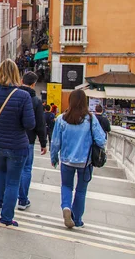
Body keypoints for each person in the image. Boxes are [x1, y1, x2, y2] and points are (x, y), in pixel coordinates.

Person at [0, 59, 35, 227]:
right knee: (13, 181)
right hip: (17, 146)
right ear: (16, 74)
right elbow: (30, 124)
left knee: (1, 172)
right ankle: (7, 217)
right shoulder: (24, 96)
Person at [51, 89, 106, 229]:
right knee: (81, 191)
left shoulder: (61, 119)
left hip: (66, 160)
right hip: (85, 162)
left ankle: (66, 207)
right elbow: (101, 140)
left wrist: (54, 157)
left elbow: (55, 142)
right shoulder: (91, 119)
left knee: (66, 186)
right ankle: (78, 219)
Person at [18, 72, 48, 211]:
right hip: (28, 140)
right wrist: (43, 143)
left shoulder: (13, 95)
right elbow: (40, 124)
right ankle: (23, 200)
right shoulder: (35, 101)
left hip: (12, 138)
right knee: (26, 169)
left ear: (22, 80)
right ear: (34, 84)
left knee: (12, 169)